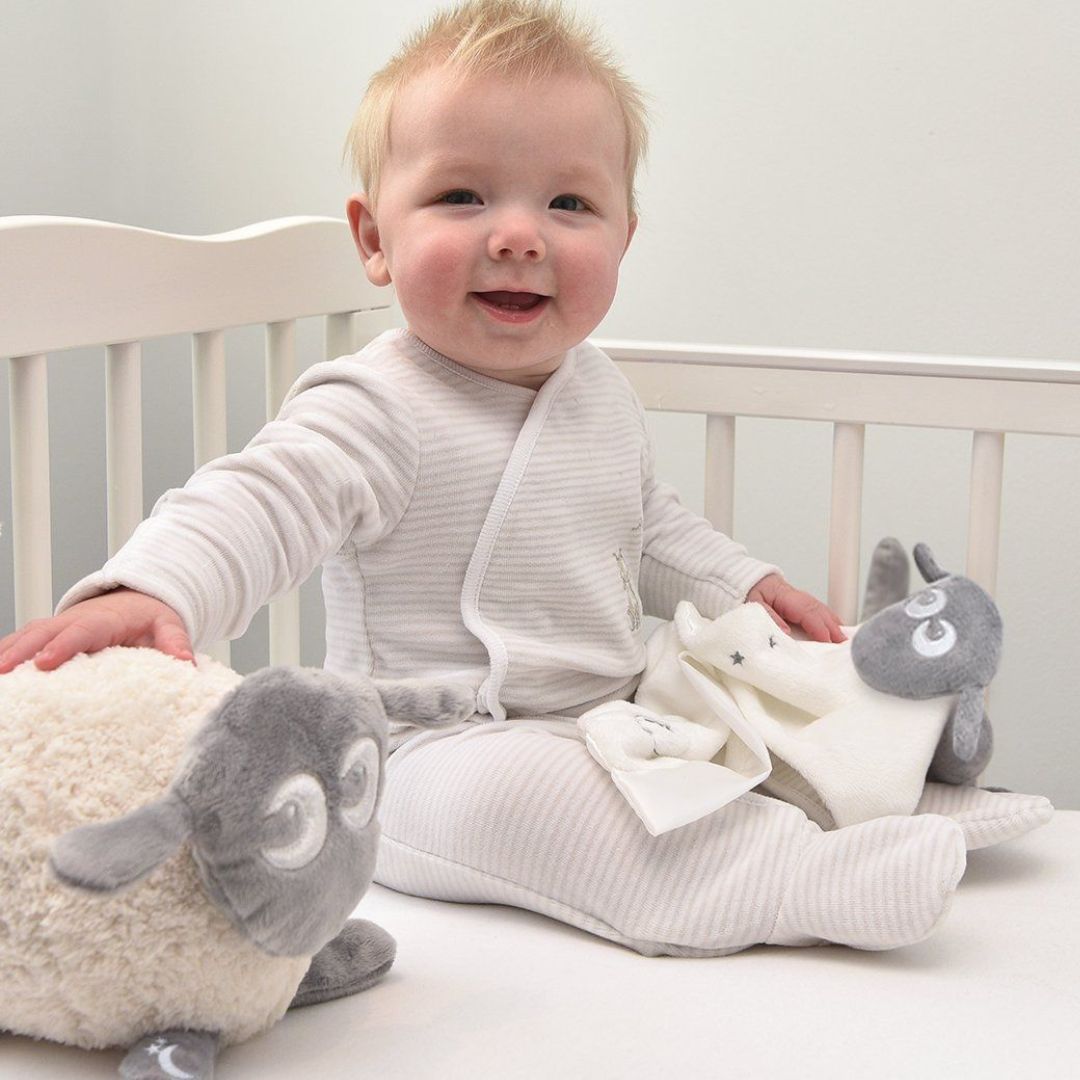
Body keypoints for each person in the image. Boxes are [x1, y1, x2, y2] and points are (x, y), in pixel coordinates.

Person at [0, 0, 967, 956]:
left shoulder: (601, 392)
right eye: (463, 196)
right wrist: (157, 585)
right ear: (374, 239)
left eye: (568, 204)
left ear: (624, 238)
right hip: (431, 752)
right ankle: (788, 876)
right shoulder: (378, 403)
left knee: (751, 692)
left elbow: (647, 525)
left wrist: (745, 586)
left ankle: (892, 790)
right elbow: (263, 498)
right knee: (526, 801)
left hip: (616, 714)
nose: (518, 235)